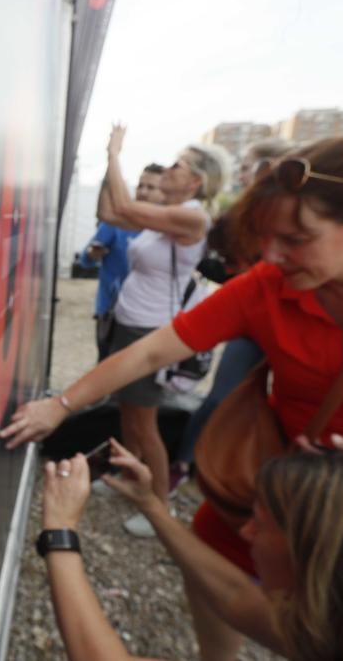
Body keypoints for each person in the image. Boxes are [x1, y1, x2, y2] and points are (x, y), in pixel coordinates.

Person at [2, 134, 343, 661]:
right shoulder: (270, 284)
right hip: (281, 474)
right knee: (216, 556)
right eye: (269, 239)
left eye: (297, 238)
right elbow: (151, 353)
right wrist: (61, 405)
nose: (273, 256)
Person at [40, 442, 343, 661]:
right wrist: (151, 504)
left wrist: (60, 529)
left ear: (313, 556)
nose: (245, 531)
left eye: (262, 522)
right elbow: (236, 595)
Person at [85, 124, 229, 537]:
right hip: (129, 324)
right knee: (129, 416)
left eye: (178, 165)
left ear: (196, 181)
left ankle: (160, 508)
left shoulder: (191, 218)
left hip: (149, 332)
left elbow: (126, 210)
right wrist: (104, 171)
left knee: (145, 425)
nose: (168, 169)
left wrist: (114, 154)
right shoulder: (165, 217)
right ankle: (132, 479)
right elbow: (110, 214)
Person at [173, 139, 294, 481]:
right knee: (222, 397)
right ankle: (185, 465)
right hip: (255, 326)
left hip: (290, 323)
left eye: (248, 166)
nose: (241, 174)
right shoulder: (241, 218)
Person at [82, 164, 165, 360]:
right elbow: (86, 260)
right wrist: (94, 254)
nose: (143, 192)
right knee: (107, 370)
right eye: (140, 186)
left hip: (150, 317)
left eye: (151, 187)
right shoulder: (116, 222)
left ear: (165, 193)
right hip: (113, 314)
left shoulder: (169, 228)